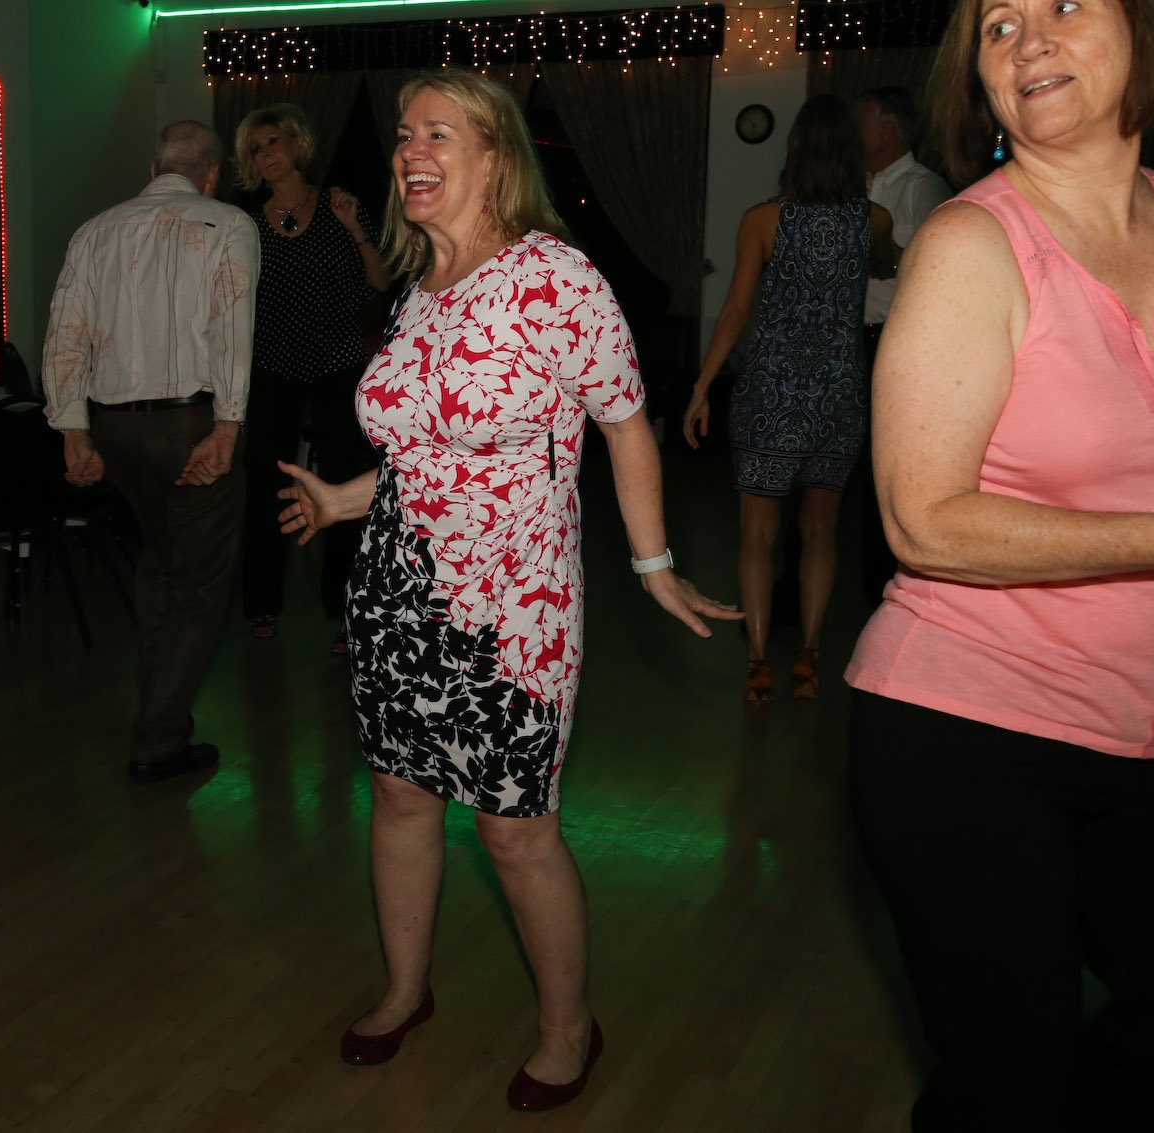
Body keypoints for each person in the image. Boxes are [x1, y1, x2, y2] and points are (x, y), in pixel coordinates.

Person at [275, 72, 740, 1112]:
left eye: (439, 133)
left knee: (513, 827)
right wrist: (343, 499)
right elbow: (423, 451)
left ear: (495, 157)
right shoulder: (414, 289)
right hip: (394, 589)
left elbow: (624, 421)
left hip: (513, 610)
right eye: (404, 133)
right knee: (399, 794)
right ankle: (405, 990)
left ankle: (568, 1026)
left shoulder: (552, 279)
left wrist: (653, 564)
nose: (410, 150)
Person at [845, 0, 1154, 1128]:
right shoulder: (969, 244)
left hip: (1147, 729)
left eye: (1064, 4)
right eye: (996, 26)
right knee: (1009, 1081)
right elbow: (922, 521)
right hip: (972, 736)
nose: (1027, 40)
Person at [41, 121, 258, 783]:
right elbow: (232, 326)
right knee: (200, 587)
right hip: (189, 424)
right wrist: (228, 425)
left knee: (159, 566)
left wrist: (73, 430)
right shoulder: (227, 224)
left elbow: (64, 334)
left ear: (154, 167)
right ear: (211, 174)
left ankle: (163, 716)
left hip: (116, 432)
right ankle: (159, 737)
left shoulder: (94, 230)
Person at [682, 95, 895, 701]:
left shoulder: (762, 220)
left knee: (756, 534)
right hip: (839, 392)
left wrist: (701, 388)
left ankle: (757, 664)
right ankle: (810, 655)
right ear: (852, 154)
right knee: (821, 531)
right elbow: (887, 266)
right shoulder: (874, 220)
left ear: (795, 150)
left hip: (771, 391)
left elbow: (735, 311)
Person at [233, 103, 389, 652]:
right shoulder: (247, 224)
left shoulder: (339, 204)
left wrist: (354, 228)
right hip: (273, 364)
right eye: (256, 149)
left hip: (337, 362)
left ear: (298, 145)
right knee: (265, 482)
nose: (266, 155)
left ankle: (346, 609)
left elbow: (381, 282)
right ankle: (261, 602)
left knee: (344, 482)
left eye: (272, 142)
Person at [855, 87, 951, 603]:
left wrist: (883, 252)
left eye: (863, 121)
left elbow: (933, 270)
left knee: (885, 473)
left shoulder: (923, 187)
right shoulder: (854, 183)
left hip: (892, 343)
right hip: (848, 341)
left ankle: (885, 591)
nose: (855, 132)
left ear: (889, 126)